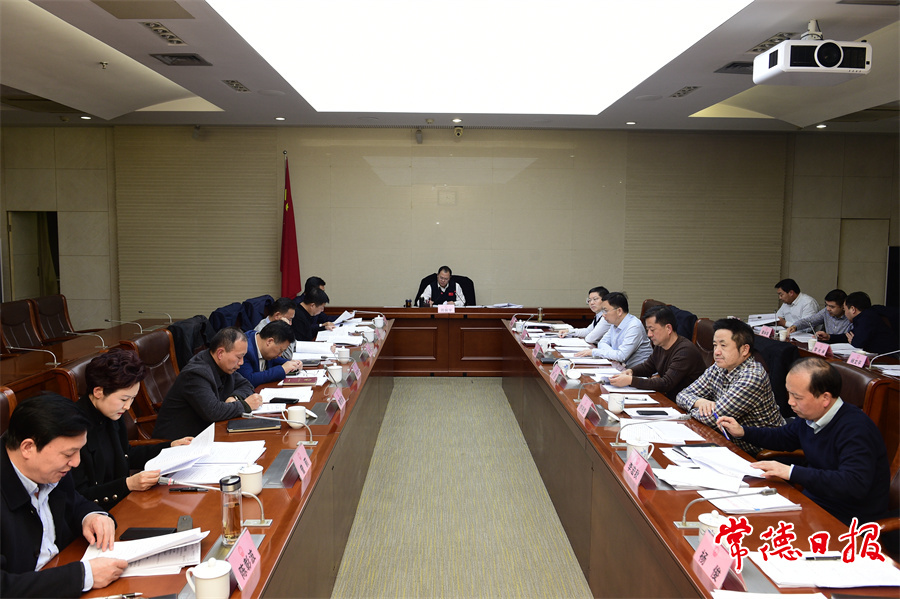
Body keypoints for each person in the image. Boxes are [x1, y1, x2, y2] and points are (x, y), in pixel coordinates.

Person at [717, 357, 890, 525]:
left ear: (825, 398)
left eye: (797, 397)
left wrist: (792, 472)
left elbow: (853, 484)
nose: (790, 402)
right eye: (789, 394)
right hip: (814, 502)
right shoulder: (811, 416)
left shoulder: (856, 429)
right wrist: (742, 432)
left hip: (848, 517)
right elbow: (783, 437)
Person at [2, 394, 128, 597]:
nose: (76, 462)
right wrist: (82, 576)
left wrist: (92, 516)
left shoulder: (49, 470)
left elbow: (75, 502)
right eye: (69, 454)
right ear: (28, 448)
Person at [72, 350, 193, 510]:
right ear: (98, 392)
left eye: (132, 398)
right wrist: (127, 484)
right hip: (97, 512)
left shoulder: (111, 412)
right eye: (124, 399)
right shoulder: (73, 429)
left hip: (125, 502)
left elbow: (126, 454)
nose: (128, 406)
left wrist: (170, 447)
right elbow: (79, 495)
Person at [676, 318, 784, 455]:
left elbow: (712, 419)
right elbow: (682, 395)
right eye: (715, 345)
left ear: (744, 349)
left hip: (756, 450)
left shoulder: (752, 377)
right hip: (725, 440)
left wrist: (691, 410)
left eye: (723, 345)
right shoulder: (719, 366)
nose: (716, 352)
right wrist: (699, 402)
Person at [153, 327, 262, 439]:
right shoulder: (196, 373)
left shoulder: (224, 365)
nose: (241, 362)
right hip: (178, 441)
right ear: (220, 353)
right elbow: (213, 412)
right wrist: (245, 405)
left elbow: (246, 385)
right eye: (239, 357)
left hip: (207, 433)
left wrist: (234, 398)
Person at [608, 306, 706, 399]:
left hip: (685, 404)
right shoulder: (661, 344)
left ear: (668, 328)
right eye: (647, 330)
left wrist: (631, 380)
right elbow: (648, 366)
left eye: (652, 330)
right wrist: (631, 371)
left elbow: (666, 383)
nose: (649, 334)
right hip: (668, 398)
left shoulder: (685, 351)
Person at [575, 292, 651, 368]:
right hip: (621, 367)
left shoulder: (634, 326)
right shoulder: (614, 323)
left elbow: (621, 356)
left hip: (639, 371)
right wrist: (614, 354)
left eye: (605, 310)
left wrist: (595, 352)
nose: (603, 315)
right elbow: (602, 342)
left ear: (619, 311)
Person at [238, 321, 302, 387]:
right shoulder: (245, 349)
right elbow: (249, 380)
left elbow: (275, 360)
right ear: (269, 341)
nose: (280, 355)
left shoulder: (263, 344)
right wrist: (282, 370)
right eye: (280, 350)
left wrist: (292, 363)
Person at [843, 291, 899, 355]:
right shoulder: (869, 314)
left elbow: (858, 343)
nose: (845, 313)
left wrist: (853, 341)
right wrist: (833, 338)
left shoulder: (866, 318)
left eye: (845, 310)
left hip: (888, 356)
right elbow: (851, 335)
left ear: (853, 309)